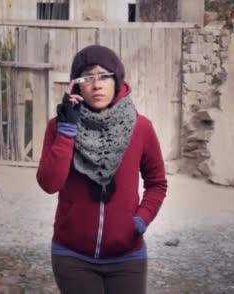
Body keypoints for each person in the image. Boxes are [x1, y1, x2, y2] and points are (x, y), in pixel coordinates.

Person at [36, 45, 168, 294]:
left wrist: (140, 220)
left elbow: (157, 183)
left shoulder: (141, 128)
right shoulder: (59, 127)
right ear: (76, 85)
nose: (97, 85)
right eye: (87, 77)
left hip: (127, 258)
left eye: (104, 76)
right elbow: (49, 183)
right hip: (72, 257)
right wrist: (67, 131)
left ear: (116, 80)